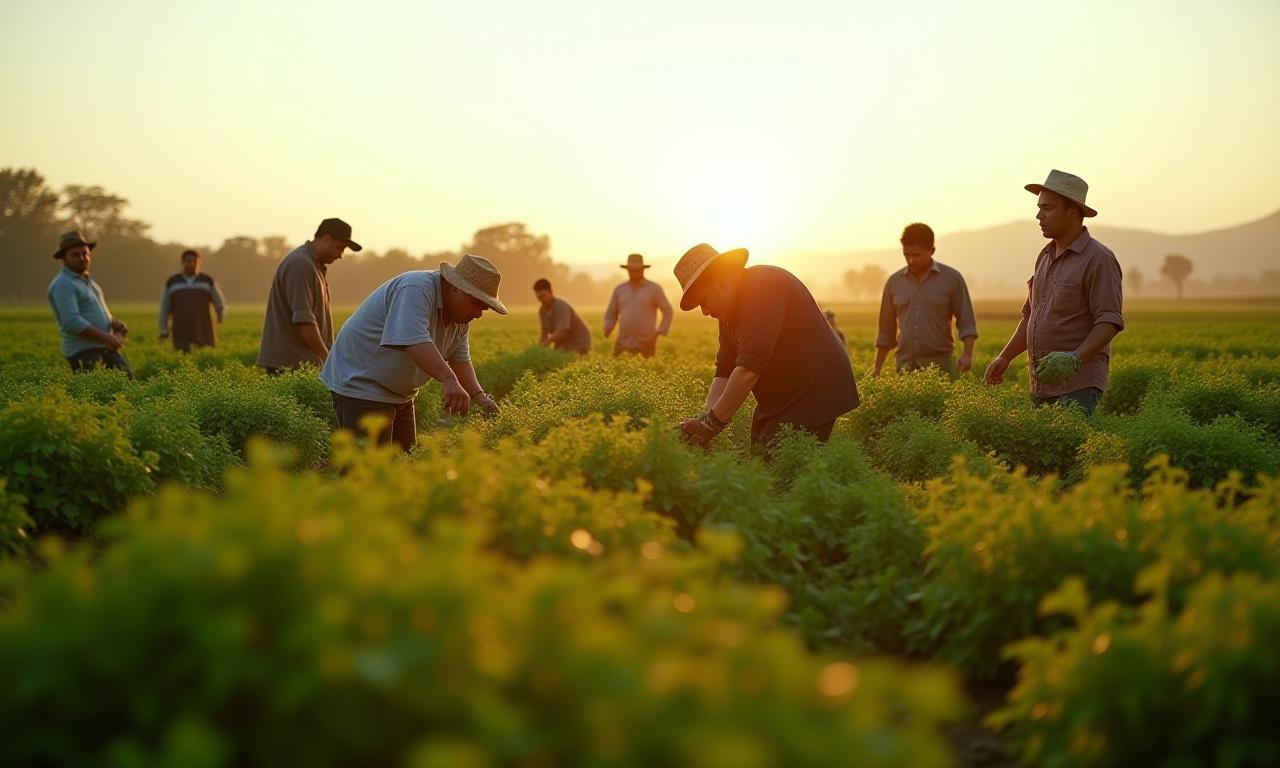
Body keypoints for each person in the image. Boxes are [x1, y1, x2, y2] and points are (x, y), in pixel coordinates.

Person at [673, 243, 859, 448]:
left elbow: (749, 369)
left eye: (703, 301)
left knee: (788, 458)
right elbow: (725, 370)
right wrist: (704, 418)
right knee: (762, 455)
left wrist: (711, 424)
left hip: (814, 390)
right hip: (781, 396)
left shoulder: (762, 288)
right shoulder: (727, 314)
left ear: (721, 284)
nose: (704, 311)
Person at [321, 254, 505, 452]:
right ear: (455, 287)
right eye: (476, 304)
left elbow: (459, 359)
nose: (478, 314)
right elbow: (414, 340)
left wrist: (478, 395)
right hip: (363, 385)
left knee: (405, 460)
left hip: (401, 395)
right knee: (369, 465)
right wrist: (448, 378)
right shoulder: (416, 288)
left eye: (484, 308)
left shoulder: (460, 318)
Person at [983, 170, 1124, 417]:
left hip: (1078, 386)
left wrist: (1074, 359)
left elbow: (1109, 321)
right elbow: (1031, 315)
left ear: (1073, 212)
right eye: (1039, 208)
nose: (1039, 216)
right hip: (1041, 384)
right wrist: (1005, 357)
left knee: (1069, 441)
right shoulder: (1045, 257)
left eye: (1047, 208)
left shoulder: (1099, 259)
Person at [873, 223, 978, 377]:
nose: (910, 260)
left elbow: (967, 322)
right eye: (906, 255)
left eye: (916, 255)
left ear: (932, 251)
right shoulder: (894, 282)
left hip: (941, 366)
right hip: (905, 366)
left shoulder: (952, 279)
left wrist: (967, 355)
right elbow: (885, 332)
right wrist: (877, 368)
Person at [258, 217, 360, 373]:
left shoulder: (312, 265)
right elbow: (304, 319)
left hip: (301, 366)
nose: (340, 255)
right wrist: (328, 359)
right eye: (340, 248)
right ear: (326, 239)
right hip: (290, 366)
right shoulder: (300, 264)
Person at [46, 231, 133, 378]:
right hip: (84, 352)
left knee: (127, 381)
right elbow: (72, 322)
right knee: (98, 390)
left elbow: (96, 311)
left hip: (104, 348)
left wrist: (114, 323)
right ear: (64, 259)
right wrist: (107, 337)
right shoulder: (63, 284)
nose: (82, 258)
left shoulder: (90, 282)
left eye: (85, 253)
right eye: (75, 254)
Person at [604, 253, 672, 357]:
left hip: (646, 343)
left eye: (637, 270)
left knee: (647, 366)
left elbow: (667, 310)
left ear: (643, 270)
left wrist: (660, 331)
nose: (634, 273)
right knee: (616, 365)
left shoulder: (654, 289)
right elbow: (612, 312)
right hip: (623, 342)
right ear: (627, 270)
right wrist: (609, 326)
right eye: (631, 270)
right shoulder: (620, 289)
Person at [158, 249, 226, 351]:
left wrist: (220, 314)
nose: (191, 264)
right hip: (180, 328)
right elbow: (165, 307)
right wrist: (163, 329)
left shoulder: (207, 281)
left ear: (199, 263)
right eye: (188, 261)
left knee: (204, 353)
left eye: (194, 261)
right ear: (182, 262)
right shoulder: (173, 282)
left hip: (203, 328)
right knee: (182, 353)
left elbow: (218, 300)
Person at [534, 278, 591, 355]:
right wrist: (539, 349)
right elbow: (544, 334)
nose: (541, 299)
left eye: (543, 296)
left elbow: (562, 332)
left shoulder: (561, 306)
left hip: (578, 342)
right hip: (562, 343)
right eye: (538, 297)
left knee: (562, 359)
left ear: (551, 292)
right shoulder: (542, 311)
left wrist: (546, 343)